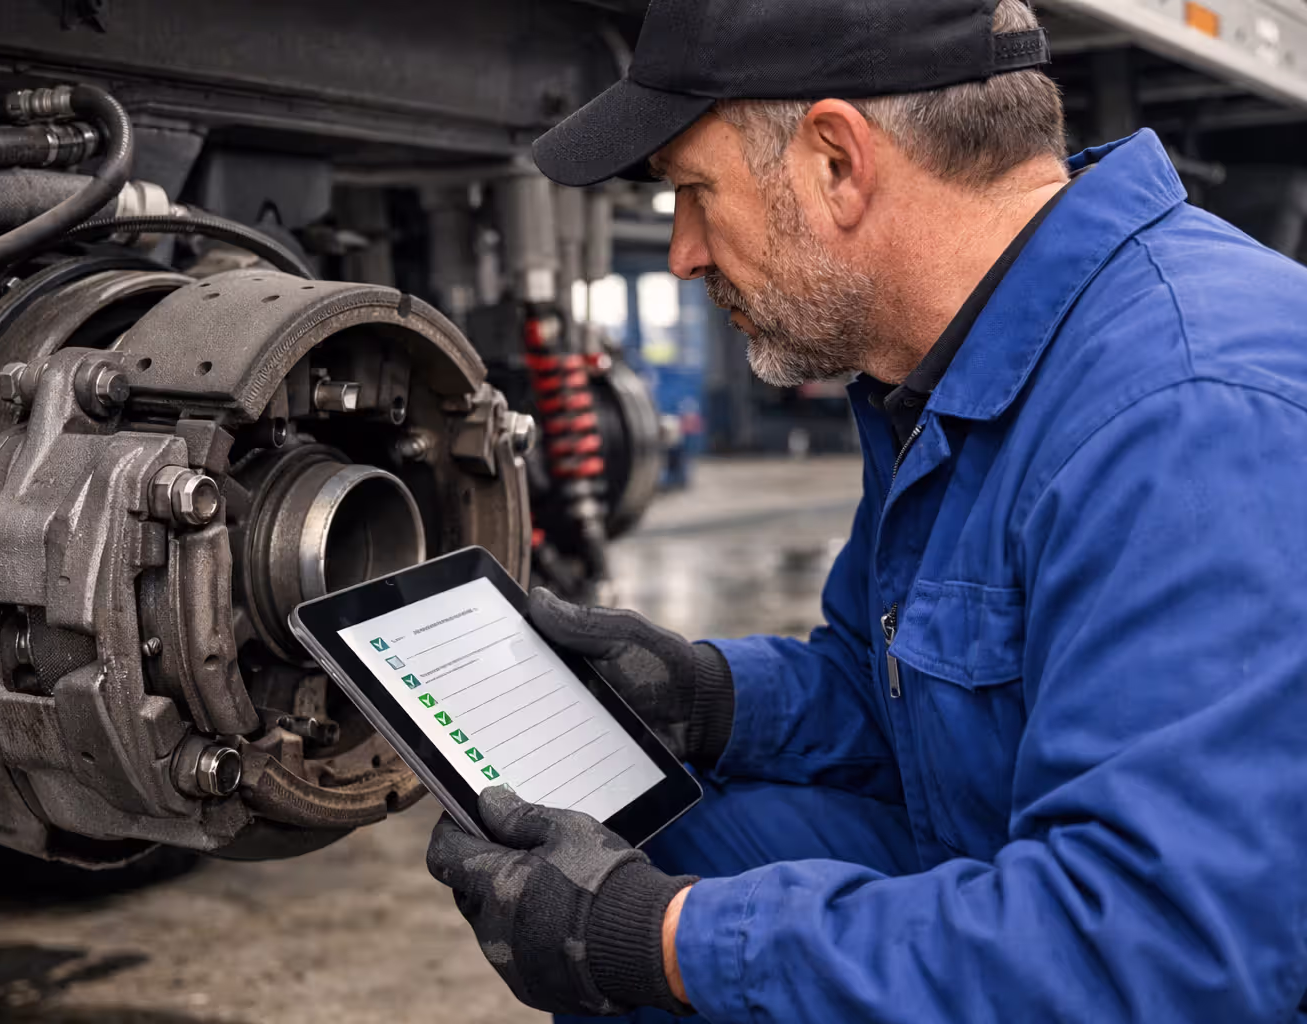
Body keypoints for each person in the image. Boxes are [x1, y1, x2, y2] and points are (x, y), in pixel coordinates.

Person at [425, 0, 1307, 1020]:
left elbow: (1158, 952)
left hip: (1174, 963)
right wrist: (701, 691)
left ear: (838, 161)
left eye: (694, 195)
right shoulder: (950, 373)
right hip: (1039, 868)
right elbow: (905, 696)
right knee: (649, 831)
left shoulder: (1186, 417)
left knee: (641, 927)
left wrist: (661, 941)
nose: (682, 254)